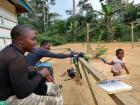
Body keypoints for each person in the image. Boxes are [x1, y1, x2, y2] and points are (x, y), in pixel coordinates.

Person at [0, 25, 63, 105]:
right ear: (21, 40)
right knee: (58, 101)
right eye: (33, 39)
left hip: (14, 90)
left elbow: (27, 69)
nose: (36, 42)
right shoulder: (17, 58)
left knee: (56, 88)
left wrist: (38, 71)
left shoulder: (11, 51)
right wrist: (41, 74)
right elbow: (22, 93)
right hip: (8, 98)